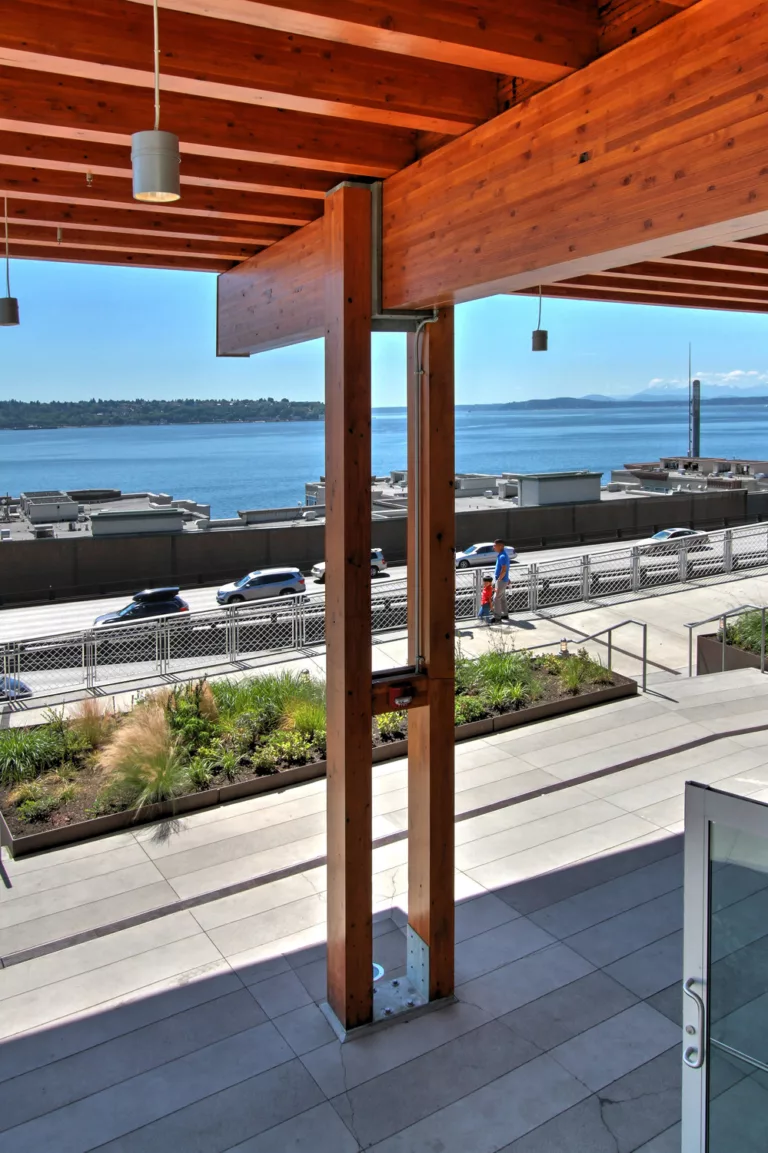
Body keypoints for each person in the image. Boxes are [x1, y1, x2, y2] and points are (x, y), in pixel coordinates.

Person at [492, 538, 510, 621]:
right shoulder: (502, 555)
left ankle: (497, 617)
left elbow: (504, 569)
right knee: (502, 598)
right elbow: (504, 569)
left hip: (501, 581)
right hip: (503, 580)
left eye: (495, 545)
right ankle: (505, 614)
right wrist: (507, 578)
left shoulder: (502, 556)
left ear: (500, 546)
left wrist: (499, 579)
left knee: (496, 598)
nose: (493, 547)